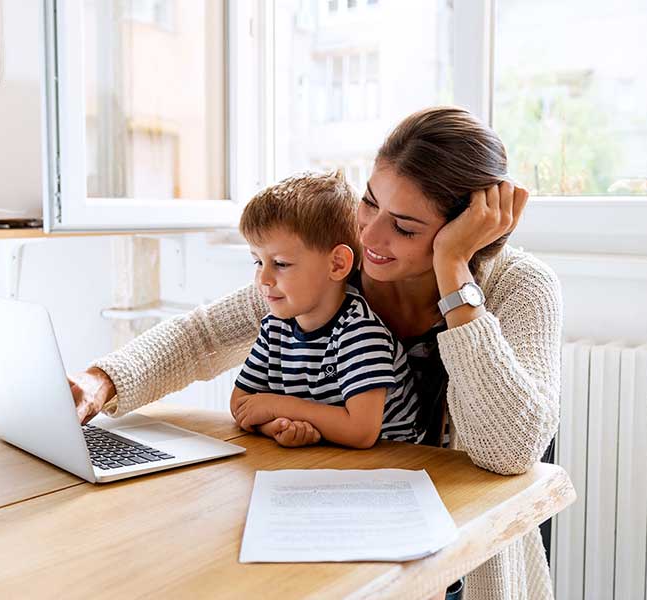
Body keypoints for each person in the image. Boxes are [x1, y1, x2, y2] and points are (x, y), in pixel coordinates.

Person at [69, 106, 563, 600]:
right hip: (339, 537)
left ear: (470, 231)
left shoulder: (520, 288)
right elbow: (203, 336)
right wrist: (99, 384)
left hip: (456, 569)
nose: (369, 236)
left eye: (405, 227)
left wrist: (454, 271)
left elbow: (510, 450)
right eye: (369, 203)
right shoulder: (336, 266)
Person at [231, 171, 414, 449]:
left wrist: (279, 406)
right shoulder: (274, 327)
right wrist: (276, 425)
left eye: (280, 263)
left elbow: (361, 431)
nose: (263, 279)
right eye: (258, 262)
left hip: (393, 467)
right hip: (327, 462)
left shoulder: (361, 333)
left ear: (337, 264)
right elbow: (242, 404)